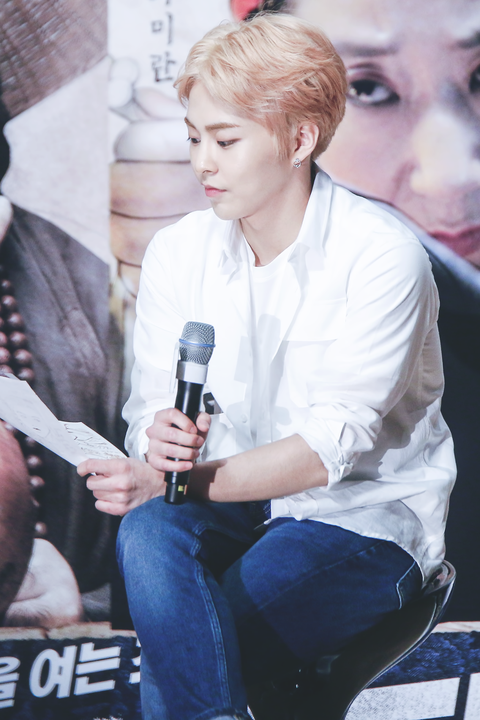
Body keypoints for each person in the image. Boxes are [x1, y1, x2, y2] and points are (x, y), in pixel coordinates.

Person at [78, 14, 455, 719]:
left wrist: (176, 478)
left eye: (225, 141)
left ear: (300, 139)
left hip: (362, 520)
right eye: (193, 138)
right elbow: (148, 413)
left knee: (192, 648)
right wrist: (160, 443)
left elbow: (327, 452)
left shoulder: (382, 257)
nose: (202, 163)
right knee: (148, 530)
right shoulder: (178, 253)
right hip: (229, 507)